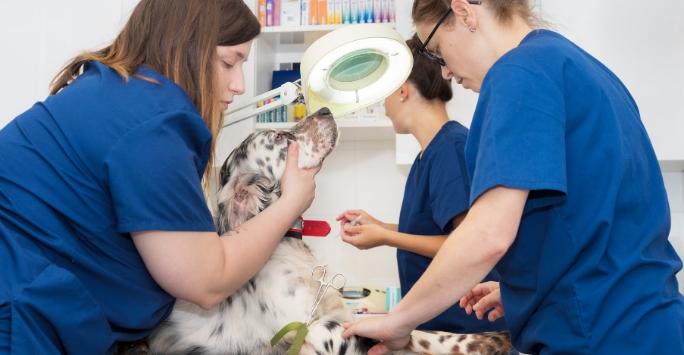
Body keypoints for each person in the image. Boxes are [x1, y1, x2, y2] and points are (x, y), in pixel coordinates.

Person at [342, 0, 684, 354]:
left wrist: (397, 322)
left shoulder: (518, 72)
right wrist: (526, 290)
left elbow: (488, 234)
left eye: (438, 51)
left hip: (599, 335)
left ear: (463, 12)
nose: (444, 73)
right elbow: (596, 221)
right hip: (648, 325)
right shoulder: (582, 67)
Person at [0, 1, 318, 353]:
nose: (239, 84)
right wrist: (291, 202)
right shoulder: (152, 126)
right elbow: (207, 280)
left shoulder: (112, 90)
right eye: (229, 62)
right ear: (187, 47)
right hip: (20, 319)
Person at [337, 35, 507, 334]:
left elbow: (465, 245)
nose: (385, 108)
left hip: (466, 334)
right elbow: (433, 233)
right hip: (438, 331)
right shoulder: (428, 155)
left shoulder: (451, 149)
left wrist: (387, 238)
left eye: (384, 95)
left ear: (402, 91)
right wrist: (381, 228)